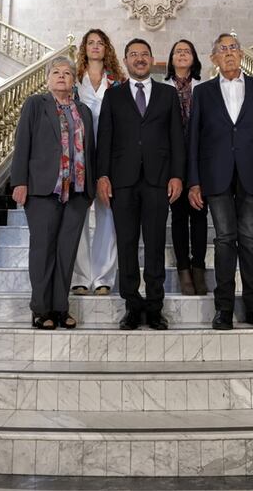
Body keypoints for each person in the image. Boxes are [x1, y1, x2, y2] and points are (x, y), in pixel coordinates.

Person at [187, 33, 253, 330]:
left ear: (241, 54)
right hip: (215, 175)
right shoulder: (202, 92)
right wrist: (194, 181)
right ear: (214, 58)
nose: (228, 54)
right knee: (225, 240)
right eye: (222, 50)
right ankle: (224, 309)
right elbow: (194, 139)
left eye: (233, 48)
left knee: (250, 240)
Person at [96, 38, 185, 330]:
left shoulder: (167, 94)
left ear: (151, 58)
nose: (140, 59)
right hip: (123, 181)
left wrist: (177, 175)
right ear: (126, 60)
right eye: (134, 55)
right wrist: (102, 175)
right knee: (127, 244)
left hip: (159, 180)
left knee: (156, 244)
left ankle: (155, 307)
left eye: (144, 54)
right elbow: (105, 139)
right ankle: (132, 306)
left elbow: (176, 138)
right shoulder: (114, 95)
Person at [10, 56, 95, 330]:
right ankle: (40, 309)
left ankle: (60, 308)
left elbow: (91, 151)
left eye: (67, 73)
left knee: (66, 252)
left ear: (74, 80)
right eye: (56, 72)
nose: (62, 76)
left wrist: (91, 187)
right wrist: (19, 181)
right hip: (43, 189)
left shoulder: (84, 112)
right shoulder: (36, 105)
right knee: (43, 249)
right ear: (48, 78)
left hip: (78, 192)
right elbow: (23, 142)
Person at [70, 29, 125, 297]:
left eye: (100, 43)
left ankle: (103, 276)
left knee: (107, 214)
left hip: (109, 156)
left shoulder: (117, 82)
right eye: (90, 43)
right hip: (78, 156)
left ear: (107, 49)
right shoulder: (73, 81)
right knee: (78, 214)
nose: (95, 47)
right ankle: (80, 276)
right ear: (84, 48)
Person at [160, 39, 209, 296]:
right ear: (171, 58)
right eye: (177, 51)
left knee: (199, 215)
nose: (182, 54)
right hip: (172, 161)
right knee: (178, 217)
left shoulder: (205, 87)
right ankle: (183, 270)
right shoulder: (162, 88)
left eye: (186, 51)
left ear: (194, 57)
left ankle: (198, 268)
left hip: (201, 159)